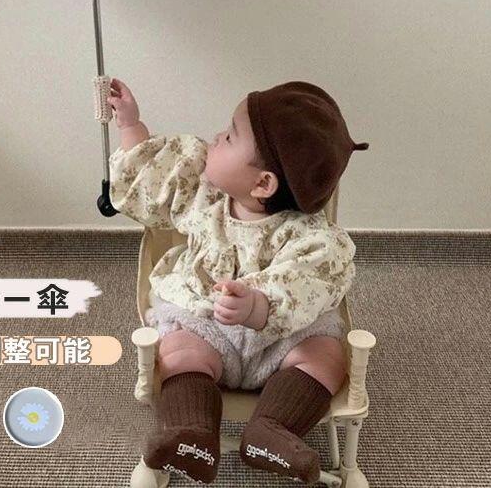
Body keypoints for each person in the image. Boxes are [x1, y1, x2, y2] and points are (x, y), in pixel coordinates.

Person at [108, 78, 369, 483]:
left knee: (327, 358)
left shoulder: (312, 236)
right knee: (178, 351)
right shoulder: (203, 193)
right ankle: (191, 432)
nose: (216, 137)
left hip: (285, 338)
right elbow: (154, 175)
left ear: (263, 183)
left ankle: (273, 429)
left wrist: (259, 305)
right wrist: (130, 124)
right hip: (206, 323)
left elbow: (312, 282)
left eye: (229, 136)